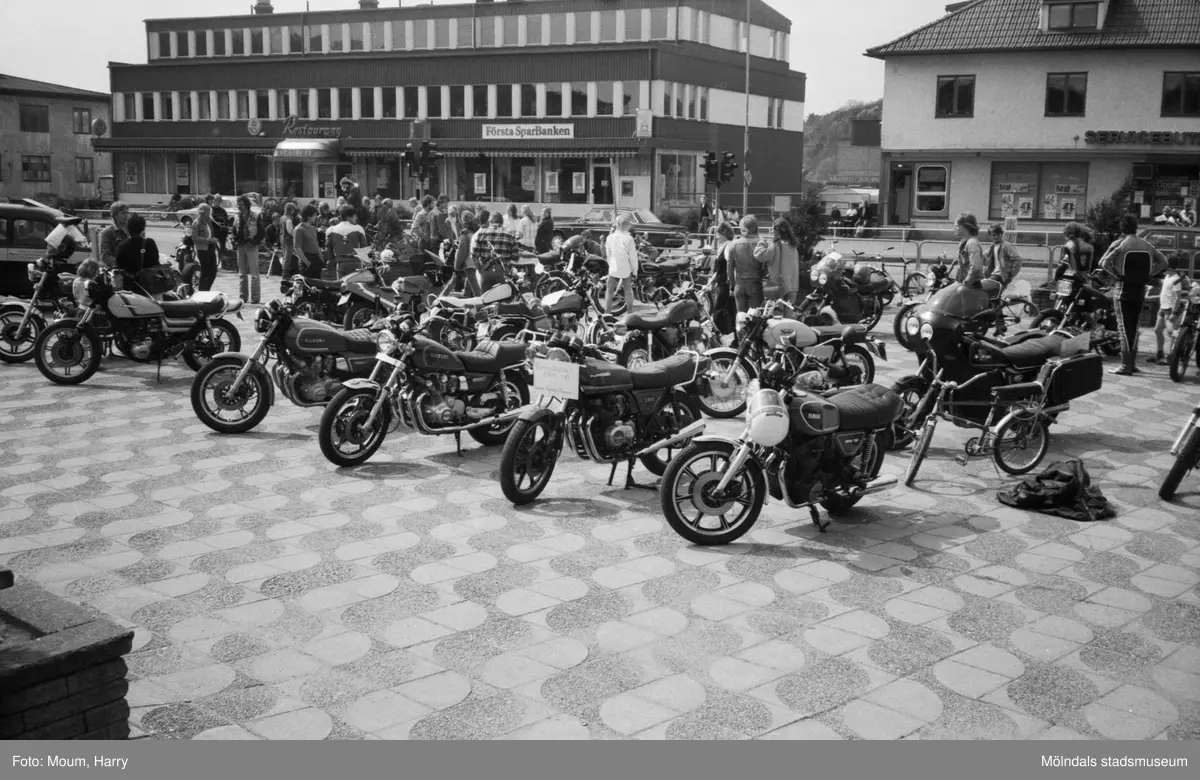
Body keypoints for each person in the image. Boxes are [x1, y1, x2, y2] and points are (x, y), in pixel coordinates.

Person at [1099, 213, 1170, 375]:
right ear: (1136, 228)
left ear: (1122, 228)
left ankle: (1126, 365)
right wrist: (1148, 275)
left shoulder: (1120, 243)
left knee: (1124, 328)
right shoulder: (1146, 244)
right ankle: (1132, 364)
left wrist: (1118, 275)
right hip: (1140, 290)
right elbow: (1164, 261)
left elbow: (1103, 263)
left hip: (1123, 290)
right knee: (1135, 327)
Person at [725, 216, 768, 312]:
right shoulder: (762, 243)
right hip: (756, 284)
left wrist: (732, 285)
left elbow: (730, 267)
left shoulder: (734, 244)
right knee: (757, 315)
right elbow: (767, 265)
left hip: (739, 284)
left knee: (741, 317)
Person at [1148, 266, 1189, 366]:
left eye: (1165, 268)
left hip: (1170, 309)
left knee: (1172, 333)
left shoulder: (1176, 280)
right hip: (1163, 308)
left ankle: (1173, 356)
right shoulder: (1167, 277)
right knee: (1157, 330)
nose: (1162, 270)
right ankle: (1160, 354)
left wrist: (1174, 312)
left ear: (1170, 268)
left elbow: (1177, 297)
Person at [756, 218, 801, 304]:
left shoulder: (775, 246)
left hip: (778, 287)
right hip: (793, 286)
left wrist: (762, 242)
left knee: (776, 312)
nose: (772, 231)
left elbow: (759, 255)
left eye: (773, 229)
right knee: (788, 312)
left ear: (777, 230)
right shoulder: (793, 246)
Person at [472, 210, 519, 292]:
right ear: (502, 222)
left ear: (490, 221)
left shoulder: (481, 233)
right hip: (503, 271)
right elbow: (515, 257)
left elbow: (474, 255)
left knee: (485, 297)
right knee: (501, 297)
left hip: (486, 270)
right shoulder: (510, 234)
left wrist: (480, 269)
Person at [232, 196, 265, 303]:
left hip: (251, 246)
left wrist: (254, 242)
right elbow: (233, 231)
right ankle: (243, 297)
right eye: (238, 205)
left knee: (254, 274)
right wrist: (234, 240)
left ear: (246, 205)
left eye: (241, 205)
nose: (239, 207)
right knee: (242, 274)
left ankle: (255, 297)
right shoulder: (236, 217)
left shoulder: (256, 216)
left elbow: (262, 232)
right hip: (240, 247)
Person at [604, 213, 638, 314]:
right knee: (628, 291)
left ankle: (607, 313)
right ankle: (630, 313)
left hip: (613, 267)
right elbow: (633, 256)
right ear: (627, 226)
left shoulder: (609, 237)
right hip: (625, 268)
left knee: (609, 291)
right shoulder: (629, 238)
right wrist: (635, 270)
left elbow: (608, 254)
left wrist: (610, 265)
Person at [324, 205, 369, 277]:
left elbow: (328, 250)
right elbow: (364, 249)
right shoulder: (358, 229)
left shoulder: (331, 230)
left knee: (342, 284)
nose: (356, 218)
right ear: (348, 217)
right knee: (357, 284)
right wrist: (367, 263)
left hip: (340, 264)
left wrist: (331, 263)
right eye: (354, 216)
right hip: (356, 264)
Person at [710, 222, 738, 336]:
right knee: (724, 310)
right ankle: (724, 334)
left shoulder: (728, 247)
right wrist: (712, 281)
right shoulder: (724, 247)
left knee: (720, 310)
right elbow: (719, 269)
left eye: (717, 234)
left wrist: (731, 285)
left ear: (723, 234)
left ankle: (720, 334)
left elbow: (731, 265)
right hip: (722, 283)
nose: (716, 237)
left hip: (726, 284)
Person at [953, 212, 986, 288]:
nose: (954, 228)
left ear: (966, 227)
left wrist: (966, 283)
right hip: (964, 284)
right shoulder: (963, 243)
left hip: (971, 286)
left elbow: (976, 267)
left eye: (957, 226)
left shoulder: (972, 243)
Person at [986, 222, 1023, 287]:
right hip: (994, 274)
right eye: (993, 235)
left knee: (984, 288)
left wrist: (1011, 275)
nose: (996, 237)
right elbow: (985, 258)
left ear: (1002, 234)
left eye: (998, 234)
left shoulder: (1006, 245)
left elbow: (1017, 259)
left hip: (1001, 275)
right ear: (990, 236)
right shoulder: (992, 247)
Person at [454, 210, 482, 297]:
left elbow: (462, 251)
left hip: (468, 261)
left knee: (474, 284)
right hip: (476, 260)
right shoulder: (476, 232)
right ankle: (465, 296)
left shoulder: (465, 234)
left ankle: (480, 301)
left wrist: (457, 265)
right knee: (469, 281)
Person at [192, 203, 219, 292]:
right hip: (202, 249)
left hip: (211, 248)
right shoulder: (197, 223)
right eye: (208, 211)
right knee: (205, 272)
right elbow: (195, 238)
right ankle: (202, 291)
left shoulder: (209, 221)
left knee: (213, 272)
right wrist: (208, 240)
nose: (209, 213)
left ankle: (207, 290)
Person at [293, 204, 323, 280]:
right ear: (309, 217)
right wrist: (308, 263)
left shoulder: (312, 228)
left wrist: (321, 258)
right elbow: (297, 248)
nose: (316, 217)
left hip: (316, 259)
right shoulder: (299, 229)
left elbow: (316, 244)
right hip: (306, 260)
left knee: (318, 284)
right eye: (314, 215)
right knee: (307, 285)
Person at [98, 201, 131, 269]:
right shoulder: (107, 233)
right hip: (116, 270)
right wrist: (123, 264)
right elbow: (105, 256)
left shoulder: (132, 230)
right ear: (115, 215)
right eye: (123, 213)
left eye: (127, 213)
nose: (126, 215)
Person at [279, 202, 299, 281]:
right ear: (292, 210)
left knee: (285, 257)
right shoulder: (288, 219)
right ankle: (285, 275)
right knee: (287, 258)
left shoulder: (282, 217)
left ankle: (284, 273)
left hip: (282, 239)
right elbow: (290, 231)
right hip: (288, 240)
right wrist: (296, 235)